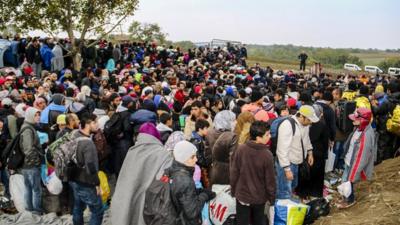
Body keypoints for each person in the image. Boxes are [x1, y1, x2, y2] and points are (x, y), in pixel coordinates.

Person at [111, 122, 174, 225]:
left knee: (128, 214)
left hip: (128, 194)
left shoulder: (132, 151)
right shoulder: (163, 154)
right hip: (149, 201)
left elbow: (124, 175)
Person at [230, 121, 276, 225]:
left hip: (242, 195)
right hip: (259, 198)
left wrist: (233, 191)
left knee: (242, 221)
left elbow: (234, 172)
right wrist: (272, 199)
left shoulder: (241, 149)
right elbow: (270, 180)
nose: (269, 137)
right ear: (258, 138)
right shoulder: (266, 155)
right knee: (258, 220)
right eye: (267, 135)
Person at [275, 105, 318, 200]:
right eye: (309, 120)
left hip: (297, 162)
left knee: (293, 185)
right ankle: (283, 209)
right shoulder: (287, 125)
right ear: (301, 116)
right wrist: (287, 169)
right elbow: (282, 149)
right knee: (284, 190)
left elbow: (306, 139)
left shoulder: (305, 125)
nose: (311, 123)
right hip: (286, 163)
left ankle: (289, 200)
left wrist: (310, 152)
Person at [169, 141, 216, 225]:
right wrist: (205, 195)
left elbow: (182, 196)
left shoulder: (174, 171)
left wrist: (199, 191)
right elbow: (192, 212)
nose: (196, 159)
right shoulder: (185, 180)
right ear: (184, 158)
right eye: (192, 157)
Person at [338, 108, 376, 209]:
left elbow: (361, 158)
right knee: (345, 181)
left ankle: (350, 200)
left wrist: (354, 174)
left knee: (348, 182)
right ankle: (346, 197)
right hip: (349, 161)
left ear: (363, 120)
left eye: (355, 118)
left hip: (354, 164)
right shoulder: (359, 128)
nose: (352, 120)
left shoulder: (366, 136)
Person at [69, 114, 104, 225]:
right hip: (86, 181)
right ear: (89, 124)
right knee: (98, 210)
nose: (98, 125)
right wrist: (97, 185)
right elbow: (91, 167)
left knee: (78, 206)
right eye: (95, 122)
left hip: (73, 177)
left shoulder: (73, 134)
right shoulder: (88, 144)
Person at [296, 104, 329, 199]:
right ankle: (315, 194)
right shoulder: (322, 125)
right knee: (316, 176)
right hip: (318, 153)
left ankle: (303, 194)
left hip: (305, 153)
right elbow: (325, 142)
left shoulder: (301, 124)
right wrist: (324, 154)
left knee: (305, 174)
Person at [19, 107, 43, 214]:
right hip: (30, 165)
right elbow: (28, 149)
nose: (38, 117)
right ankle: (36, 211)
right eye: (36, 115)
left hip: (27, 164)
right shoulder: (28, 129)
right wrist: (36, 161)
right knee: (36, 189)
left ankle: (29, 209)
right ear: (30, 116)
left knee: (29, 188)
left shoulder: (28, 127)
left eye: (39, 115)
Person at [206, 110, 238, 185]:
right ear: (227, 121)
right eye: (233, 120)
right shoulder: (232, 136)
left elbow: (207, 155)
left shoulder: (209, 133)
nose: (236, 122)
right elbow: (234, 160)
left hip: (214, 171)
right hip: (228, 175)